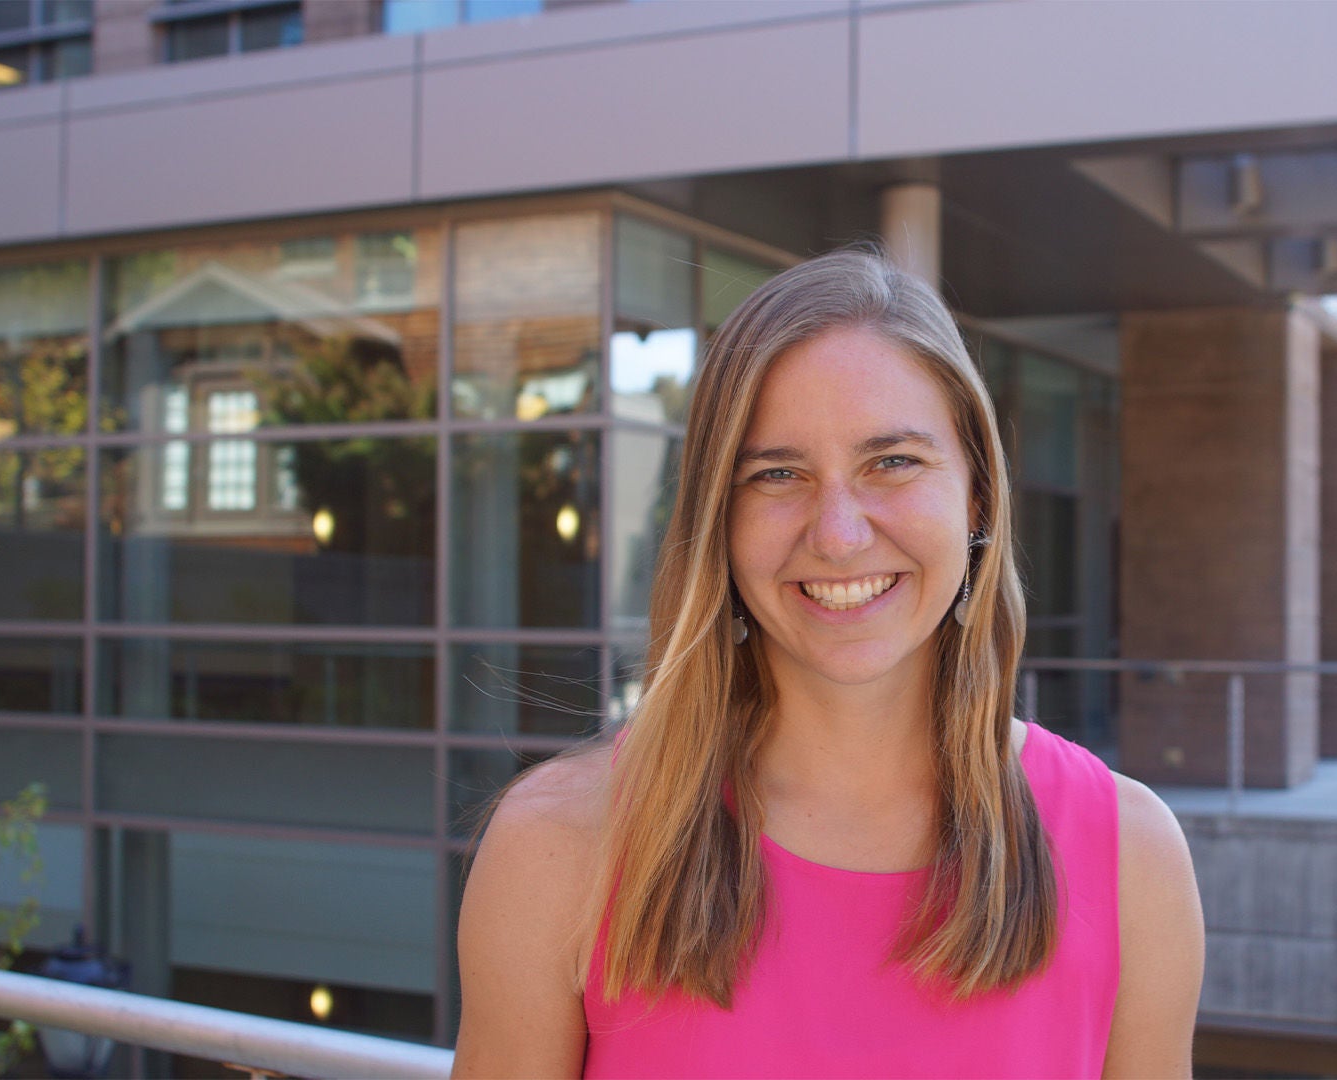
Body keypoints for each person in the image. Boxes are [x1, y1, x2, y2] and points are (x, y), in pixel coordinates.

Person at [453, 249, 1203, 1079]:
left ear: (978, 493)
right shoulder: (557, 851)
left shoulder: (1132, 861)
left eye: (892, 462)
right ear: (718, 521)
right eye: (778, 474)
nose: (839, 533)